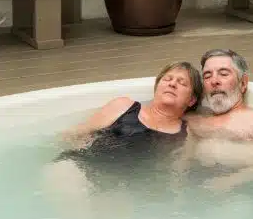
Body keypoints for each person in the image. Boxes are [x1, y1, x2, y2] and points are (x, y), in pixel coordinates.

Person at [42, 60, 202, 199]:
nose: (172, 84)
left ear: (192, 99)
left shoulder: (186, 135)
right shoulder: (124, 106)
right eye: (167, 79)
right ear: (157, 87)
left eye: (181, 83)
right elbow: (77, 133)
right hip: (79, 167)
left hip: (120, 187)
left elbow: (177, 177)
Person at [175, 48, 253, 192]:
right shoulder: (194, 120)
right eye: (207, 76)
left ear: (243, 83)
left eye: (224, 74)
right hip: (201, 186)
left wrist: (232, 181)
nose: (214, 81)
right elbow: (182, 161)